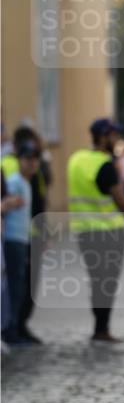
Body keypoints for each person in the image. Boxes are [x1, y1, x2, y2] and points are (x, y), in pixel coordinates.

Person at [67, 119, 124, 344]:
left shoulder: (76, 159)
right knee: (107, 282)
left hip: (84, 232)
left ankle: (99, 328)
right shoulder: (105, 165)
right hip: (109, 232)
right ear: (104, 136)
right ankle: (101, 329)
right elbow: (121, 202)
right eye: (114, 136)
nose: (117, 140)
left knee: (96, 280)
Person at [1, 143, 40, 345]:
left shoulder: (26, 183)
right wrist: (8, 203)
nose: (32, 163)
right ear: (19, 161)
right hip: (12, 239)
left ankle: (14, 328)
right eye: (27, 159)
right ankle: (11, 330)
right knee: (15, 286)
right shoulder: (15, 182)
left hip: (22, 239)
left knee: (20, 286)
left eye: (34, 159)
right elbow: (5, 203)